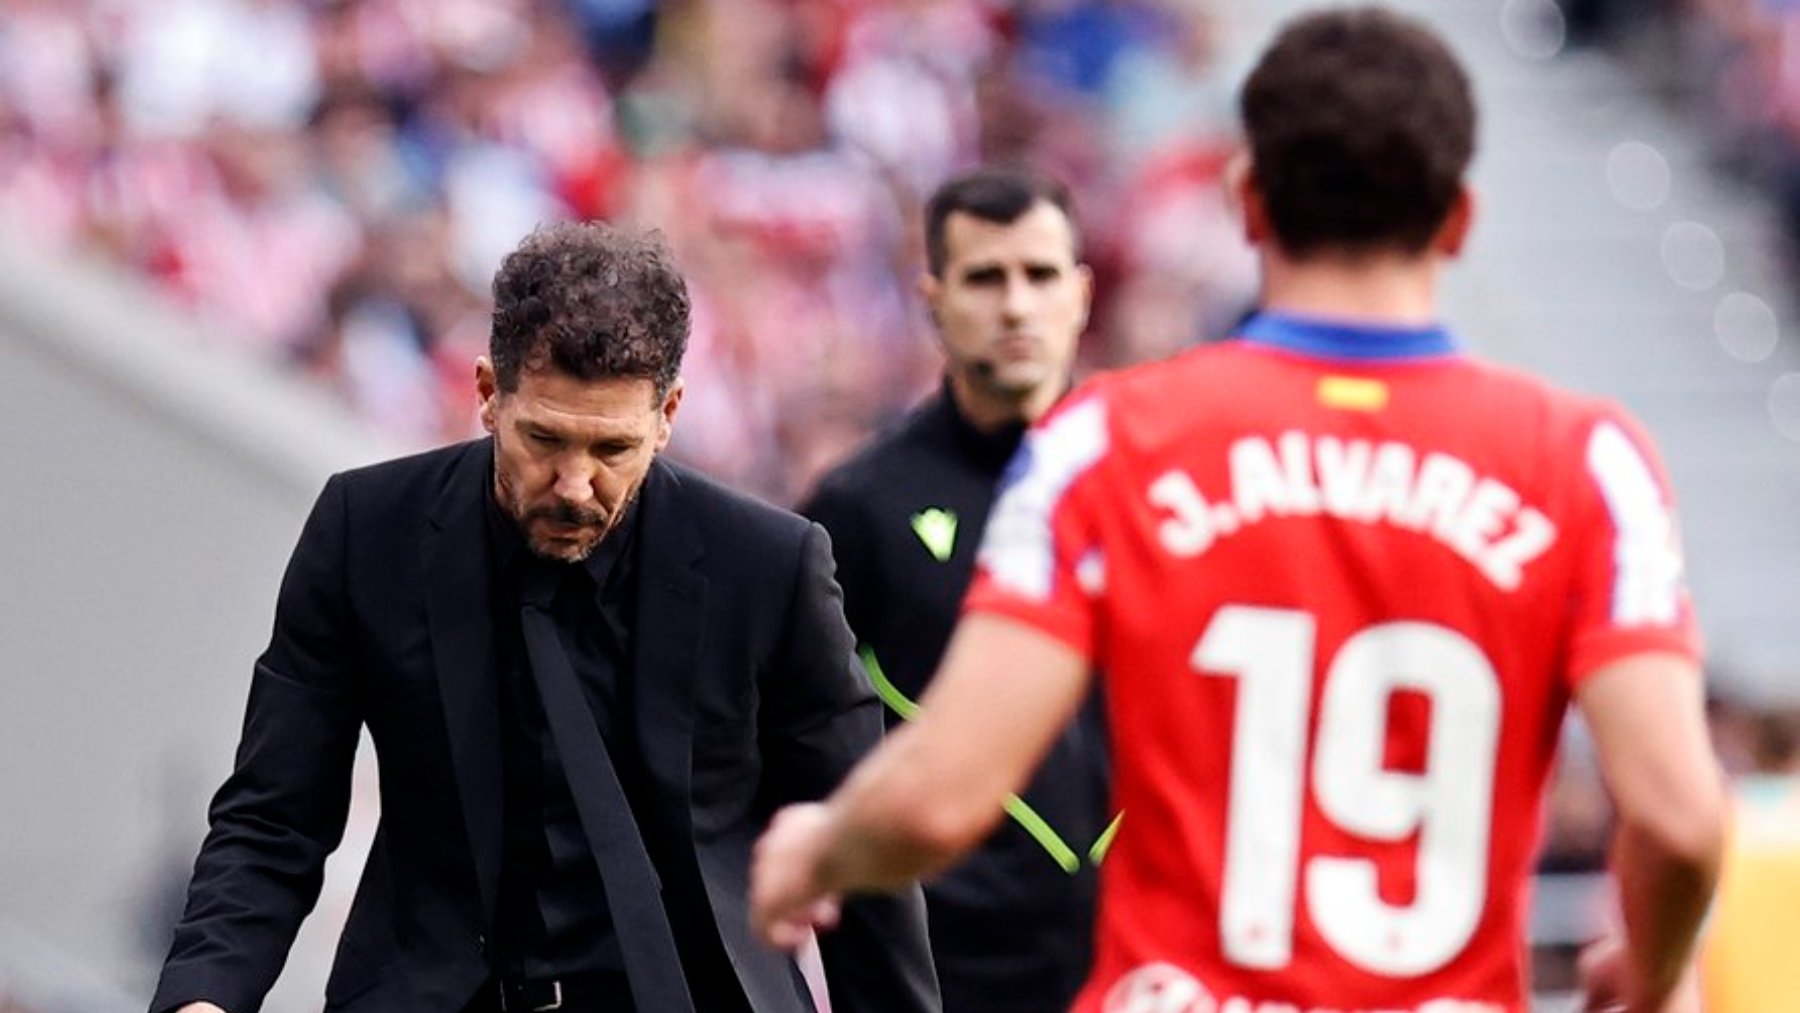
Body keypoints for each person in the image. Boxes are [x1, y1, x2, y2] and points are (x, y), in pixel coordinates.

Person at [749, 8, 1725, 1013]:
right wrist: (1650, 971)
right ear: (1461, 218)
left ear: (1247, 203)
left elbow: (940, 792)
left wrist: (817, 846)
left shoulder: (1108, 445)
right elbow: (1683, 817)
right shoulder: (1587, 463)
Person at [150, 221, 938, 1013]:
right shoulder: (366, 530)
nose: (573, 482)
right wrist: (203, 996)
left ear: (668, 414)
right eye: (545, 438)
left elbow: (863, 853)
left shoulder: (770, 566)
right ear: (489, 393)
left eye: (612, 449)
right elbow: (274, 814)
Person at [798, 168, 1111, 1013]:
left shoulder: (1159, 489)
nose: (1016, 306)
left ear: (1081, 293)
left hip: (1137, 972)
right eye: (985, 277)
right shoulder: (857, 507)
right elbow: (787, 740)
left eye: (1040, 275)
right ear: (933, 297)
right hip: (943, 978)